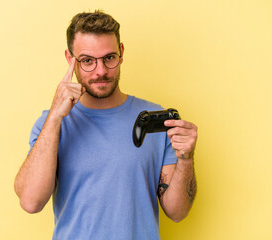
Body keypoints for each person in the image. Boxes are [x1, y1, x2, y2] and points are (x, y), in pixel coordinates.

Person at [14, 10, 198, 240]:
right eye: (88, 61)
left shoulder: (155, 122)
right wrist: (54, 117)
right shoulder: (51, 124)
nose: (100, 71)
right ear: (70, 60)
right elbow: (31, 202)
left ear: (121, 53)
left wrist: (186, 158)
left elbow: (177, 212)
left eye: (109, 58)